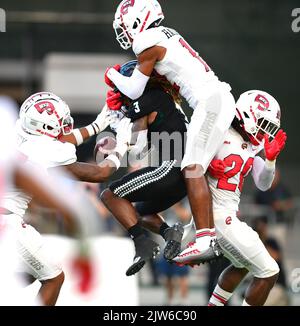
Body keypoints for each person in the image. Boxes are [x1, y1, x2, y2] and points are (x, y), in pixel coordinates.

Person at [105, 0, 236, 262]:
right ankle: (210, 235)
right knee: (197, 167)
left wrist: (111, 74)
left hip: (210, 101)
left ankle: (205, 238)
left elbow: (132, 90)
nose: (126, 34)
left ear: (137, 19)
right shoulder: (166, 34)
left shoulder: (146, 41)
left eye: (125, 27)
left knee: (191, 165)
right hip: (215, 99)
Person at [1, 92, 132, 305]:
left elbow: (59, 140)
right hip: (8, 221)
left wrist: (98, 125)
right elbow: (101, 173)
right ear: (43, 128)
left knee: (32, 271)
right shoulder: (47, 151)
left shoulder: (18, 130)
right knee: (54, 277)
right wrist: (123, 145)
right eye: (59, 124)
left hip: (6, 217)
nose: (65, 127)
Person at [175, 90, 287, 306]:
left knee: (241, 265)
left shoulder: (253, 146)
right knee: (270, 271)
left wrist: (270, 161)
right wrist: (206, 163)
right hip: (215, 217)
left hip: (226, 216)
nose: (265, 131)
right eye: (263, 123)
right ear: (248, 113)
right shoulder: (220, 131)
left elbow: (263, 184)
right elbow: (190, 162)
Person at [101, 60, 188, 276]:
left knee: (110, 195)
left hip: (170, 169)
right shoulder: (164, 99)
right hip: (184, 177)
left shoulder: (149, 100)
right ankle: (169, 233)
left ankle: (142, 245)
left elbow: (137, 147)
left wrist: (122, 126)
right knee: (134, 213)